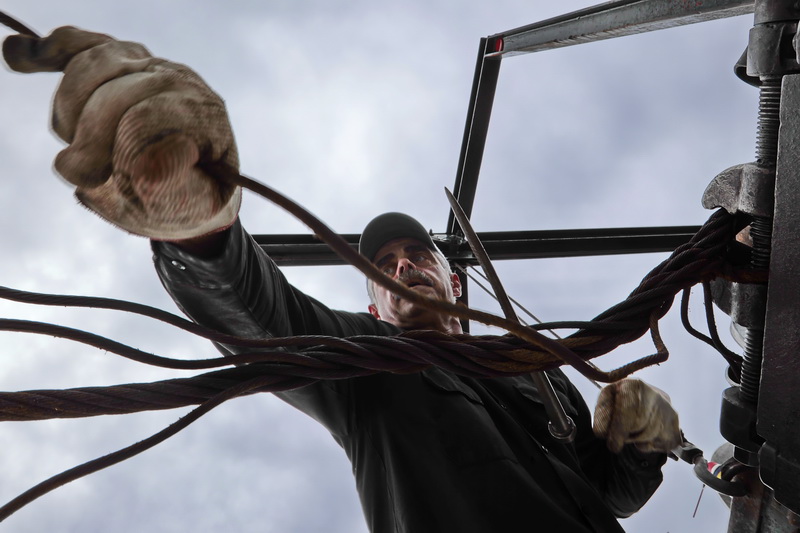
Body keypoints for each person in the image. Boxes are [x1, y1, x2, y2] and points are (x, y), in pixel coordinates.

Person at [4, 26, 682, 533]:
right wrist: (196, 220)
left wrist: (642, 439)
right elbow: (261, 315)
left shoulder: (536, 369)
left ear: (458, 285)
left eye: (415, 253)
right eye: (383, 266)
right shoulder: (366, 369)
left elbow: (613, 491)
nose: (401, 265)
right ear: (375, 306)